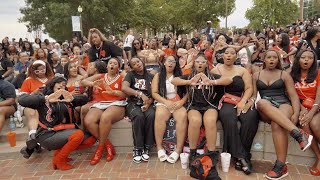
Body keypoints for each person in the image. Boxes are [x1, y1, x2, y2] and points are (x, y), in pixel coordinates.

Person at [251, 50, 313, 179]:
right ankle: (298, 133)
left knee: (277, 123)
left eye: (275, 57)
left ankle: (280, 166)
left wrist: (296, 113)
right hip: (266, 107)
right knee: (261, 102)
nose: (272, 60)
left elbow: (293, 96)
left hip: (283, 104)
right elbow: (253, 96)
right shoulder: (256, 75)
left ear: (278, 60)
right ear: (264, 59)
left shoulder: (284, 75)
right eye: (269, 57)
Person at [18, 77, 96, 170]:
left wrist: (71, 98)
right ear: (52, 85)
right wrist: (46, 98)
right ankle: (59, 160)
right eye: (59, 83)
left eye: (64, 84)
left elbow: (84, 99)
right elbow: (21, 99)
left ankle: (59, 153)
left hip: (63, 131)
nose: (62, 85)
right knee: (77, 135)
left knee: (90, 139)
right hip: (47, 135)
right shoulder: (42, 99)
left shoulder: (65, 98)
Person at [171, 53, 233, 164]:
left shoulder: (211, 75)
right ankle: (193, 152)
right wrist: (189, 82)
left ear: (206, 64)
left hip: (209, 105)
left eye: (203, 62)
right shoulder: (190, 76)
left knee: (210, 121)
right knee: (195, 121)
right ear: (194, 63)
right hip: (194, 105)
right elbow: (174, 81)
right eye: (198, 62)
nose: (200, 64)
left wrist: (212, 82)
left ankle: (211, 153)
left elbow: (229, 80)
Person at [211, 47, 259, 175]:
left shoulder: (242, 70)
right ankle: (242, 157)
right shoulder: (215, 70)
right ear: (222, 56)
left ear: (236, 57)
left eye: (232, 53)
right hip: (224, 101)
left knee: (251, 117)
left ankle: (241, 155)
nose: (228, 55)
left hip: (241, 99)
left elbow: (249, 88)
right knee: (229, 119)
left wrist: (243, 101)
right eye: (226, 53)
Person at [81, 58, 126, 165]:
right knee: (88, 121)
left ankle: (100, 149)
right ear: (107, 66)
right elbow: (83, 82)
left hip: (117, 103)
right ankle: (107, 145)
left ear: (118, 67)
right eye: (110, 63)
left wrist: (114, 92)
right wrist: (92, 84)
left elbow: (126, 94)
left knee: (105, 117)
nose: (112, 65)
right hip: (101, 103)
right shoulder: (100, 76)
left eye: (115, 64)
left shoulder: (122, 77)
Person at [151, 55, 187, 163]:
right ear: (164, 62)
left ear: (176, 64)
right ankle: (159, 148)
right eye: (169, 61)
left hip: (177, 102)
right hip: (163, 101)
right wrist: (165, 102)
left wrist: (182, 101)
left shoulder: (181, 75)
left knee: (183, 115)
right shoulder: (158, 75)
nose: (171, 63)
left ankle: (178, 149)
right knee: (160, 115)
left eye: (173, 61)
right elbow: (154, 93)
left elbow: (188, 92)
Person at [290, 49, 320, 176]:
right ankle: (319, 157)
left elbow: (319, 96)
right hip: (300, 107)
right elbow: (291, 96)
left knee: (314, 124)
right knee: (304, 124)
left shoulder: (318, 73)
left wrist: (311, 112)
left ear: (314, 61)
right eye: (303, 57)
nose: (306, 60)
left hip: (316, 106)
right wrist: (302, 110)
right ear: (298, 59)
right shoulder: (291, 75)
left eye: (310, 58)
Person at [122, 57, 155, 163]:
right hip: (133, 103)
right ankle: (137, 148)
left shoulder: (151, 76)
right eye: (134, 64)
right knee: (139, 116)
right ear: (132, 67)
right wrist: (140, 94)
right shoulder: (130, 75)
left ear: (142, 62)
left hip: (148, 104)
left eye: (138, 61)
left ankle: (147, 147)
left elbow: (155, 92)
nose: (137, 64)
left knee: (151, 116)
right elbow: (124, 88)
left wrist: (148, 102)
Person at [19, 60, 54, 158]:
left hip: (47, 104)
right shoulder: (28, 80)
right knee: (32, 112)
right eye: (37, 70)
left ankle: (32, 142)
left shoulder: (52, 79)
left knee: (39, 112)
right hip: (31, 104)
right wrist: (34, 92)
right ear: (33, 71)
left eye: (42, 69)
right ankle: (33, 137)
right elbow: (22, 98)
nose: (40, 72)